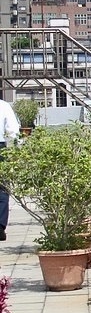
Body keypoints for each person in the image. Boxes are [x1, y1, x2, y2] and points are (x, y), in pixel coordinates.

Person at [0, 97, 21, 241]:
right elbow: (13, 130)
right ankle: (0, 225)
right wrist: (16, 150)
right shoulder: (3, 106)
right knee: (2, 188)